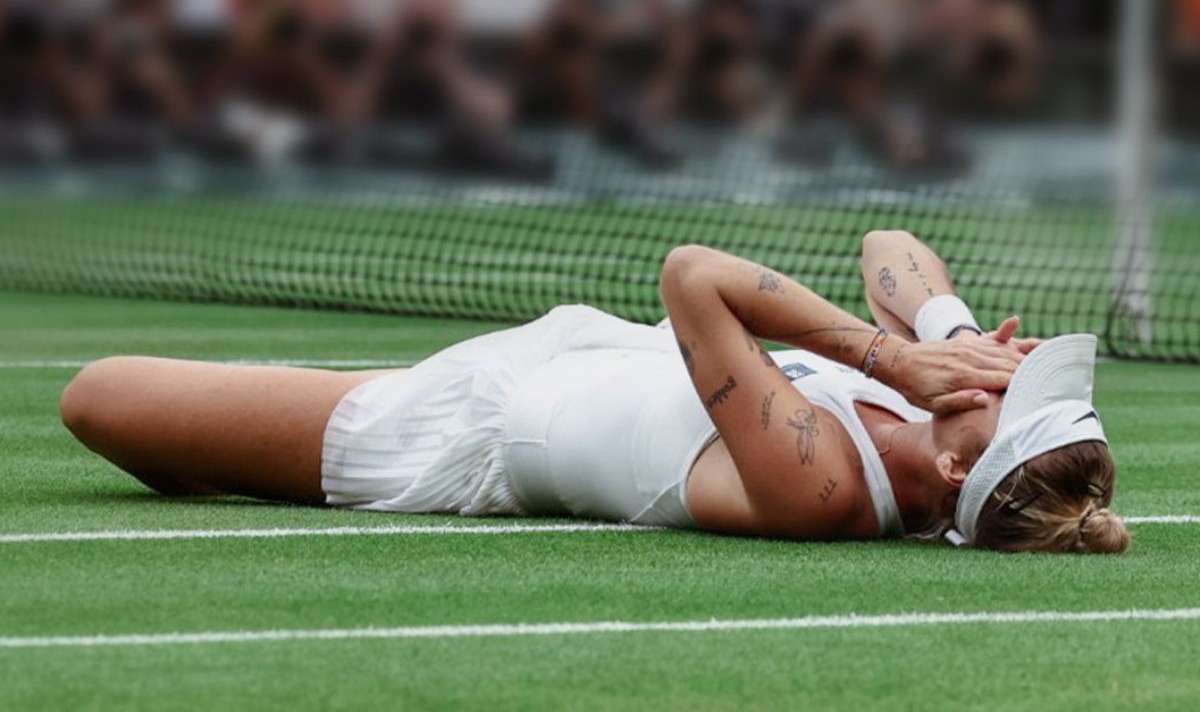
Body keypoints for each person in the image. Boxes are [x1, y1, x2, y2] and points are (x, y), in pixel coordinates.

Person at [58, 229, 1129, 553]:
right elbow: (888, 244)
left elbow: (692, 275)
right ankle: (221, 449)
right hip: (575, 349)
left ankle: (228, 453)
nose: (1005, 365)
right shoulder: (946, 403)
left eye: (1011, 391)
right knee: (178, 439)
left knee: (100, 400)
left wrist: (893, 360)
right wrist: (940, 326)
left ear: (955, 468)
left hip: (469, 436)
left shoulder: (830, 494)